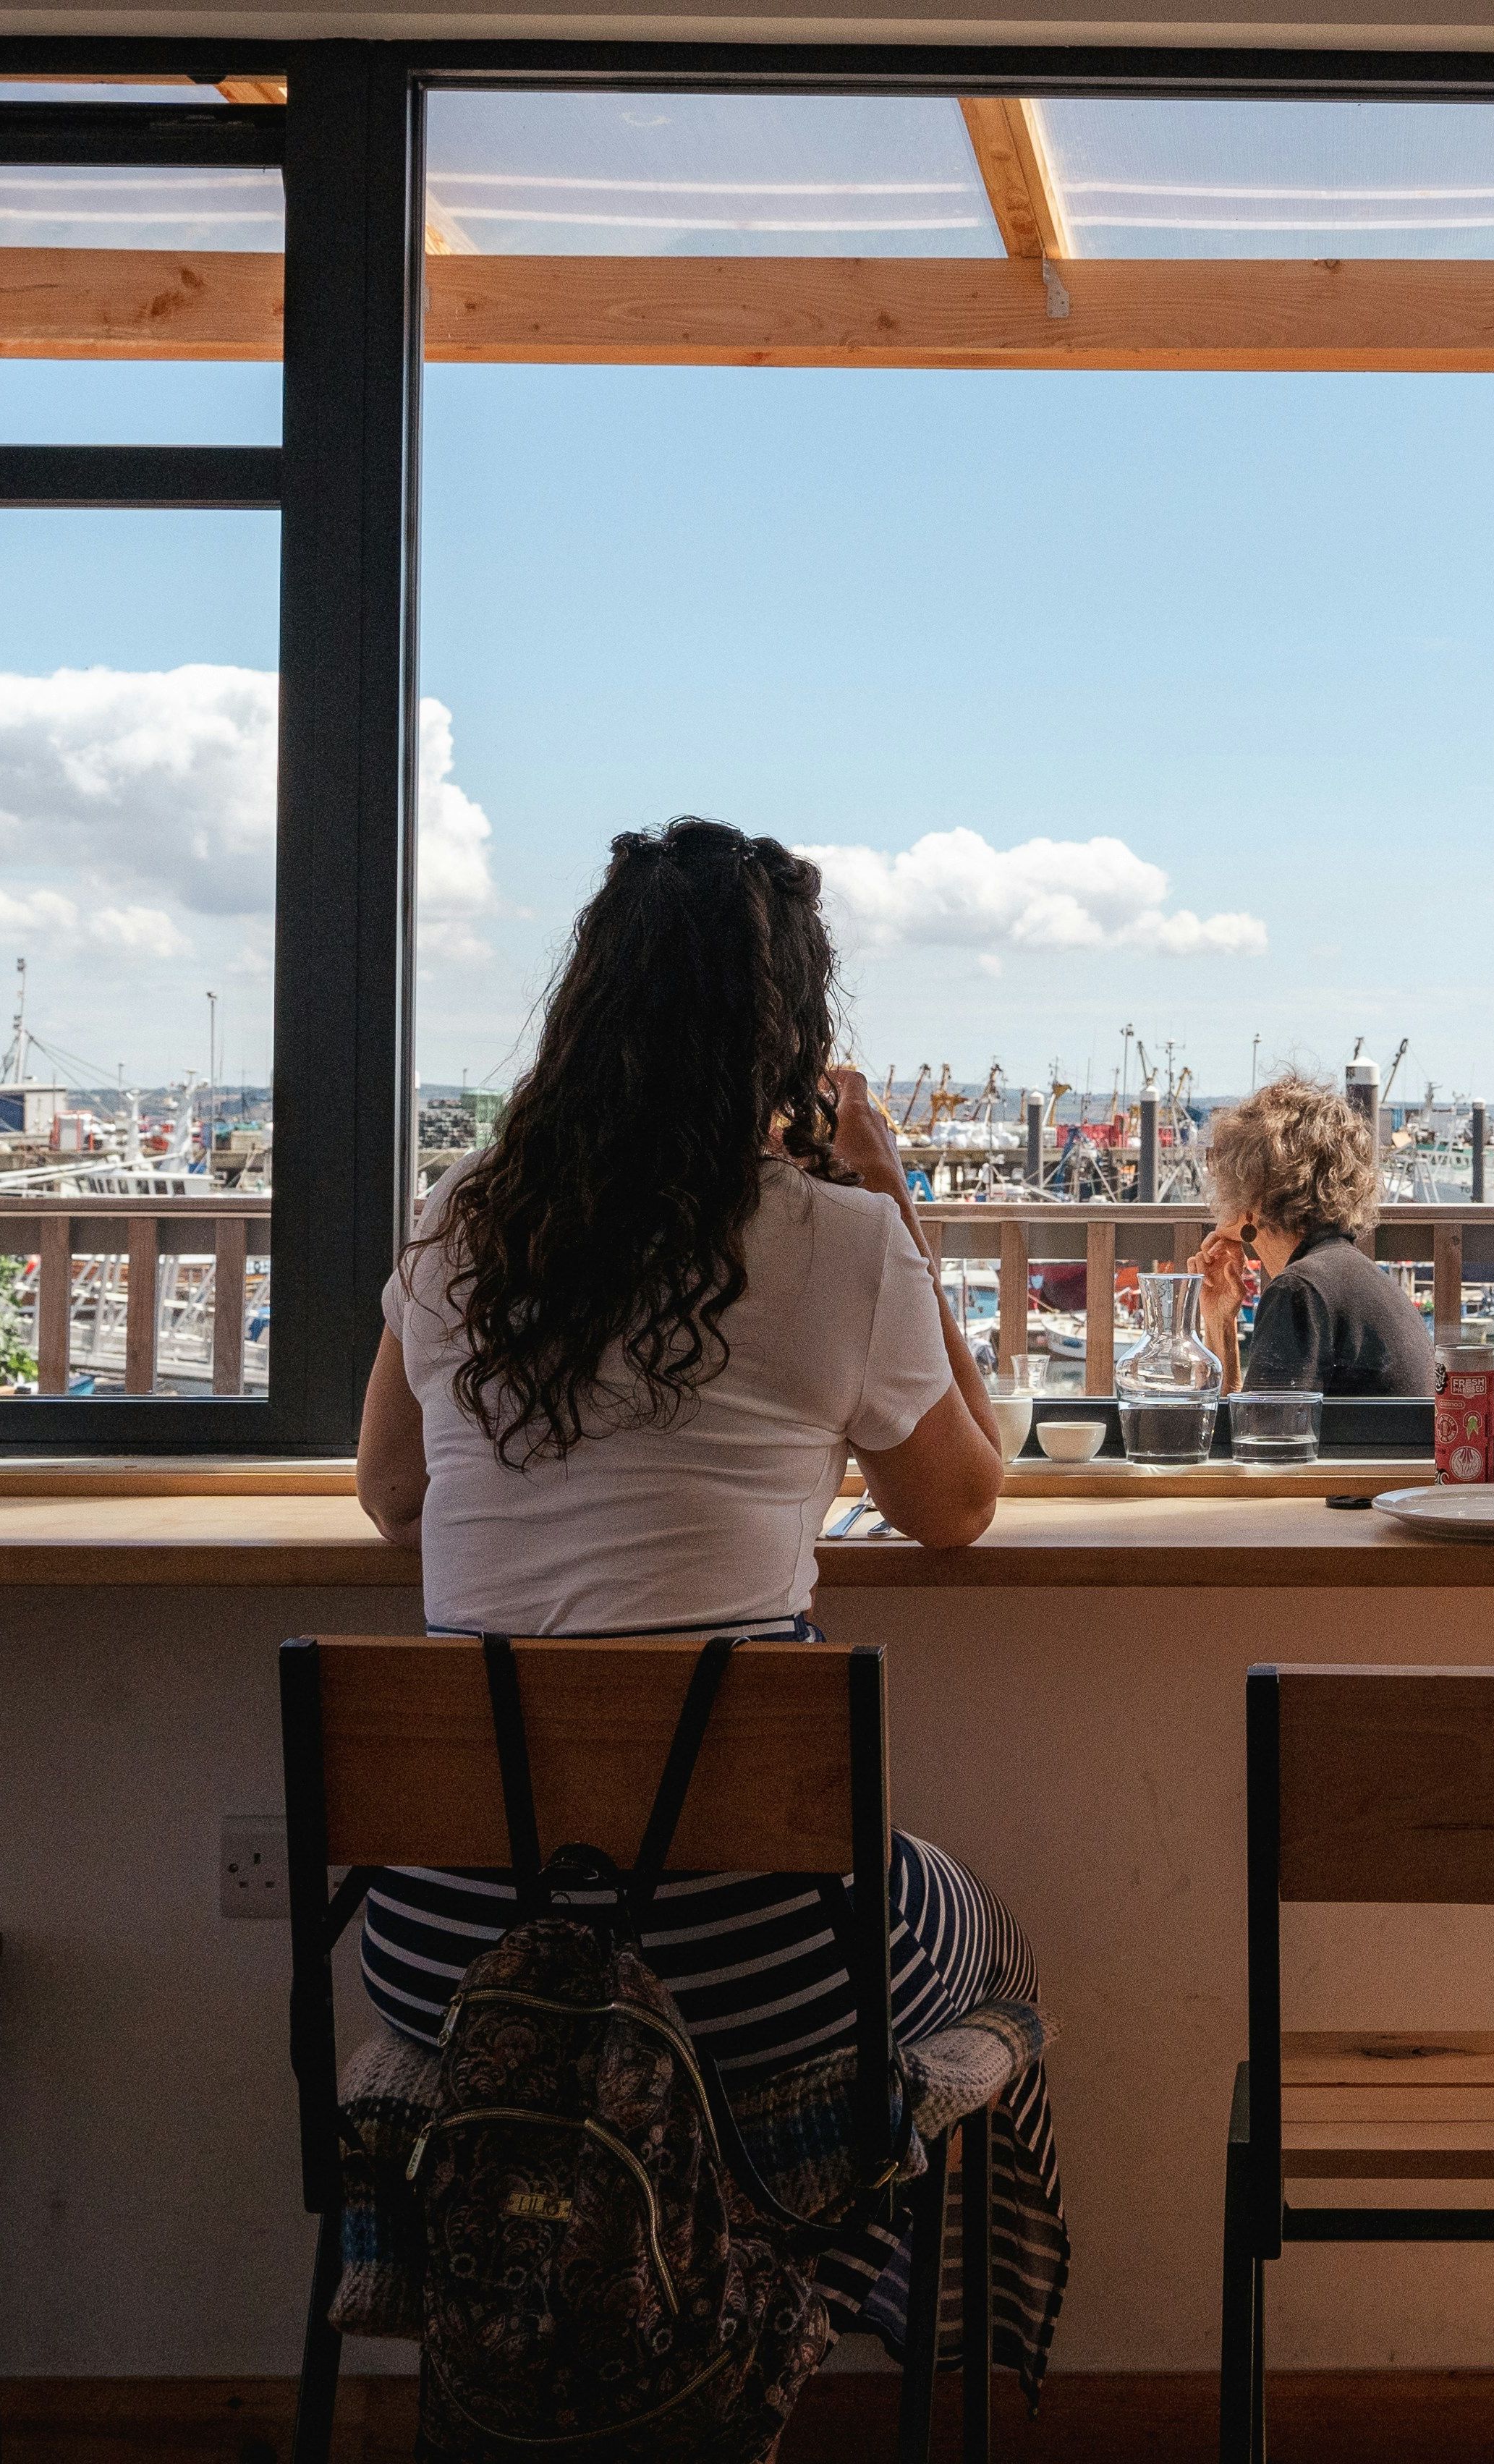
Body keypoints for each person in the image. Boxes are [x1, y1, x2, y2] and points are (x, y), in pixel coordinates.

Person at [352, 817, 1065, 2385]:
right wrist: (894, 1201)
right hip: (761, 1968)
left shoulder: (465, 1214)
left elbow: (390, 1489)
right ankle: (837, 2331)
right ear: (793, 1040)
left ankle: (631, 2335)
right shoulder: (838, 1239)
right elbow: (956, 1504)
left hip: (446, 1944)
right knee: (990, 1943)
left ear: (581, 1009)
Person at [1192, 1069, 1436, 1396]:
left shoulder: (1300, 1291)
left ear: (1251, 1201)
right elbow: (1255, 1427)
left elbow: (1261, 1442)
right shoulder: (1349, 1275)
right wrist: (1220, 1323)